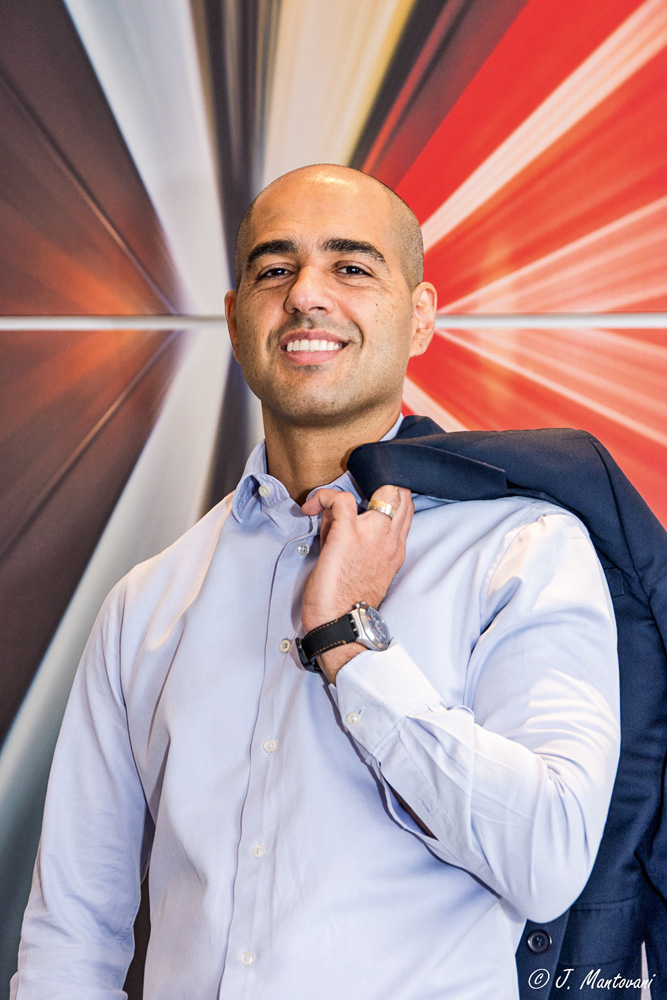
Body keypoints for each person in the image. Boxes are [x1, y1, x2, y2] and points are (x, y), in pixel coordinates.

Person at [11, 165, 620, 1000]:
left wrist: (348, 640)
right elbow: (72, 934)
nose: (306, 296)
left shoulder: (523, 549)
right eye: (274, 268)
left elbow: (548, 858)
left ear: (420, 318)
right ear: (234, 320)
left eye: (351, 267)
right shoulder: (146, 603)